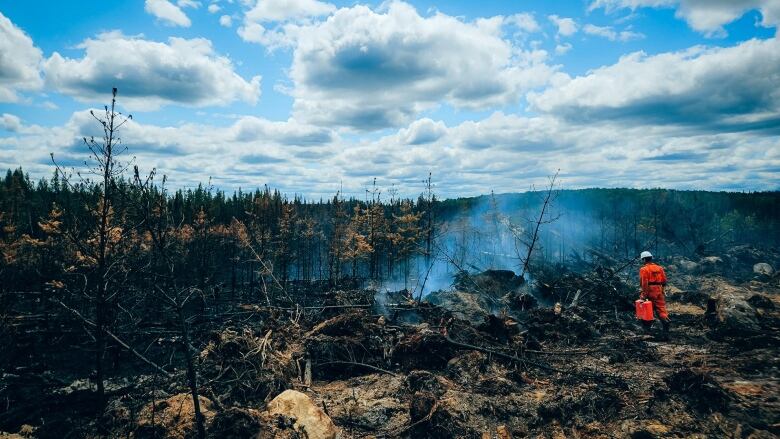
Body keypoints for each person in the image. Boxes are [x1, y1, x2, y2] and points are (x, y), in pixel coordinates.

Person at [638, 251, 670, 340]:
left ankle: (647, 330)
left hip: (650, 290)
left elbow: (644, 283)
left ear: (644, 259)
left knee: (646, 310)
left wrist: (643, 295)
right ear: (651, 258)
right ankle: (665, 323)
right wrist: (661, 289)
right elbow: (664, 281)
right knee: (661, 309)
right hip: (659, 290)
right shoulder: (659, 268)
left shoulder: (643, 269)